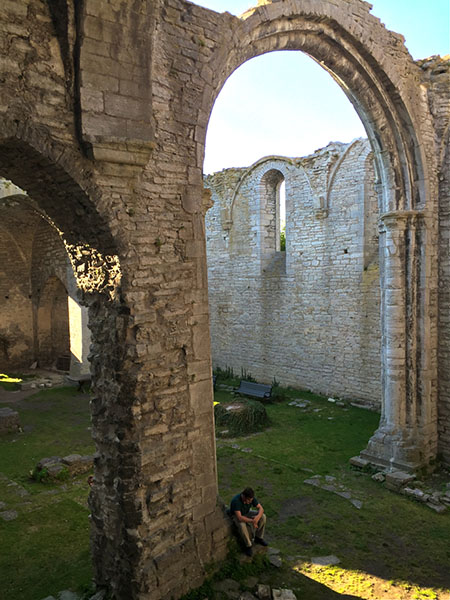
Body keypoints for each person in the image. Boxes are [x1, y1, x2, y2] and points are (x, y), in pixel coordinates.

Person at [229, 487, 268, 556]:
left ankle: (258, 538)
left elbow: (261, 509)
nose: (250, 502)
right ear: (243, 496)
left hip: (246, 512)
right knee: (242, 525)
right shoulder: (236, 501)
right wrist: (253, 521)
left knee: (263, 517)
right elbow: (240, 517)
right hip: (237, 515)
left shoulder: (251, 498)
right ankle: (248, 545)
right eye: (248, 500)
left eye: (251, 500)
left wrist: (257, 518)